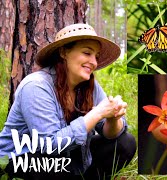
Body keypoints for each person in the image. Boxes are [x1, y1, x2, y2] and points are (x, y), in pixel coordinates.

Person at [0, 23, 136, 180]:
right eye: (87, 53)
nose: (94, 62)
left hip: (66, 157)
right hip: (24, 158)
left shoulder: (90, 86)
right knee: (51, 164)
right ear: (64, 52)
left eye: (96, 56)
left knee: (126, 142)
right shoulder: (36, 86)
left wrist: (113, 118)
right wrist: (97, 113)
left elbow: (112, 135)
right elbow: (48, 146)